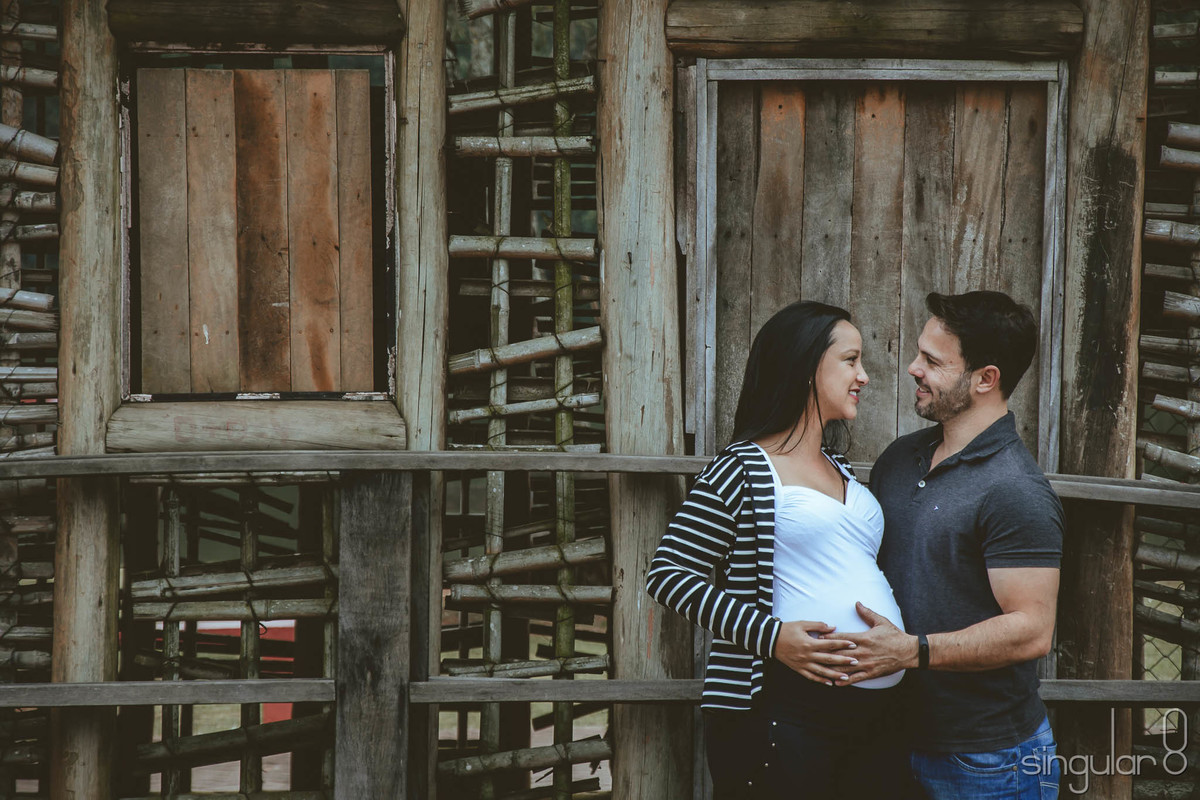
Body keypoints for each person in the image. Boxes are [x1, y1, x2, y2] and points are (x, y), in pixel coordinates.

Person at [645, 301, 915, 800]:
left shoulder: (842, 469)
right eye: (851, 360)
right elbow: (668, 575)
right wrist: (773, 638)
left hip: (874, 718)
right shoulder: (743, 467)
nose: (865, 376)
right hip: (781, 709)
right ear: (806, 365)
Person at [832, 291, 1064, 799]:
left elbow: (1032, 631)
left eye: (933, 361)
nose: (912, 368)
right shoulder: (901, 459)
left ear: (985, 378)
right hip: (891, 738)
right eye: (919, 353)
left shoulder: (1015, 490)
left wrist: (910, 652)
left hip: (987, 759)